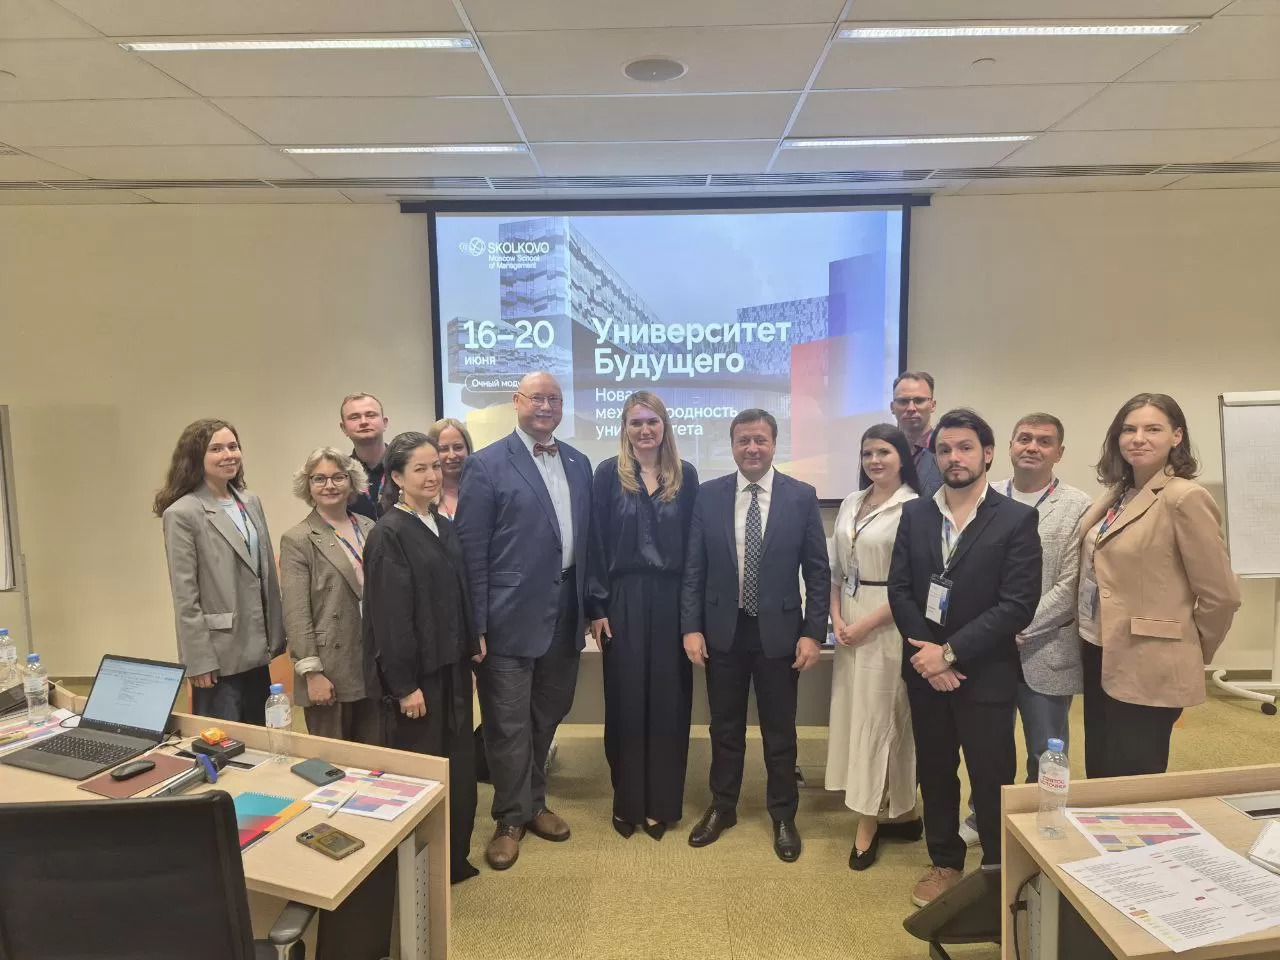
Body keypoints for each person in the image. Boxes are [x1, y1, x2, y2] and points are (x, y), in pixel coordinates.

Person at [887, 408, 1041, 907]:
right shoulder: (915, 515)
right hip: (925, 672)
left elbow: (1017, 604)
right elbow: (900, 590)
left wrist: (950, 653)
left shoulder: (1016, 518)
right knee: (935, 771)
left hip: (985, 673)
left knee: (991, 775)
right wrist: (929, 657)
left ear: (987, 454)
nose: (955, 457)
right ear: (935, 456)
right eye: (945, 449)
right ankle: (945, 862)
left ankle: (997, 871)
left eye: (965, 448)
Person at [455, 372, 593, 872]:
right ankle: (510, 818)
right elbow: (471, 551)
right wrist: (476, 625)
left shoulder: (578, 463)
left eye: (554, 399)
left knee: (547, 714)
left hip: (565, 614)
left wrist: (591, 608)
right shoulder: (486, 464)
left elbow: (587, 542)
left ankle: (534, 802)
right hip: (507, 618)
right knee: (507, 723)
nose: (546, 406)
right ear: (517, 402)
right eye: (537, 398)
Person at [681, 409, 830, 863]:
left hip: (780, 633)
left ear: (773, 444)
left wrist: (813, 633)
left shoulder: (801, 496)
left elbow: (818, 572)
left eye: (760, 440)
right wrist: (691, 626)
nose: (752, 448)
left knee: (779, 731)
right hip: (722, 631)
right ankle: (722, 806)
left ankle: (783, 814)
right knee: (724, 728)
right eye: (743, 440)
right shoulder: (709, 495)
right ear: (732, 446)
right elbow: (694, 568)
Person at [1078, 393, 1240, 779]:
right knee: (1100, 767)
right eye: (1129, 429)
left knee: (1135, 776)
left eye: (1152, 429)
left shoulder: (1184, 498)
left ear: (1176, 436)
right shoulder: (1118, 493)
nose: (1138, 438)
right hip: (1100, 646)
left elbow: (1221, 595)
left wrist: (1190, 648)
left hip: (1151, 657)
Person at [958, 413, 1093, 846]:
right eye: (1025, 438)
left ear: (1059, 453)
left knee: (1045, 749)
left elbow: (1071, 582)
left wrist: (1015, 623)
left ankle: (1041, 822)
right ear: (1010, 446)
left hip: (1046, 647)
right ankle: (983, 815)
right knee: (988, 744)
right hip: (989, 650)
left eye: (1044, 441)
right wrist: (991, 629)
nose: (1033, 447)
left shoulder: (1078, 506)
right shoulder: (985, 495)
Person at [362, 432, 485, 883]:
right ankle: (420, 873)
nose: (433, 475)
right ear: (396, 477)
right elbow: (389, 618)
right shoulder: (388, 534)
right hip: (418, 681)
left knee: (459, 767)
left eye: (435, 466)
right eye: (420, 468)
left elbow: (460, 592)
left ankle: (454, 860)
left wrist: (472, 647)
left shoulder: (442, 524)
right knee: (422, 774)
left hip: (453, 670)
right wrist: (404, 685)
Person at [587, 391, 699, 840]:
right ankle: (628, 802)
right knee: (626, 702)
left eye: (652, 421)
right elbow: (595, 543)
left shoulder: (685, 476)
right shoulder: (607, 475)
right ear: (625, 428)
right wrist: (597, 607)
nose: (645, 430)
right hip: (623, 600)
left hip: (672, 600)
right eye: (636, 422)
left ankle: (661, 804)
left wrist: (692, 618)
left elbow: (695, 553)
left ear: (665, 425)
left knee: (670, 703)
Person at [824, 424, 922, 871]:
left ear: (901, 457)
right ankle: (904, 811)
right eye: (867, 453)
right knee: (856, 715)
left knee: (883, 720)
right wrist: (837, 618)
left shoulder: (914, 508)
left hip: (887, 623)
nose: (875, 460)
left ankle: (868, 822)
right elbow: (836, 569)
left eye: (884, 452)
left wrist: (864, 623)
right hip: (849, 620)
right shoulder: (851, 501)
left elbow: (913, 585)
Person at [155, 419, 285, 723]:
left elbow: (262, 572)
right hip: (219, 653)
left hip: (257, 645)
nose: (229, 455)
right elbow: (185, 595)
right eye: (216, 449)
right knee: (223, 743)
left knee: (260, 736)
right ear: (195, 457)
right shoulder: (182, 513)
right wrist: (198, 660)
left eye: (233, 446)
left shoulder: (250, 502)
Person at [279, 447, 382, 744]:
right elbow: (296, 613)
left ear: (351, 481)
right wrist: (312, 673)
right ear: (308, 485)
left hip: (372, 659)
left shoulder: (370, 527)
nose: (329, 485)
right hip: (329, 667)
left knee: (375, 755)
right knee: (334, 758)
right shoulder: (298, 538)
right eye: (319, 479)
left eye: (338, 477)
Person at [892, 371, 943, 497]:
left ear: (933, 405)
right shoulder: (880, 453)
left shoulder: (947, 450)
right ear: (892, 407)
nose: (911, 408)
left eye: (919, 400)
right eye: (903, 401)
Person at [340, 393, 390, 520]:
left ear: (384, 423)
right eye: (354, 417)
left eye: (371, 415)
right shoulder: (339, 474)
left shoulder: (407, 466)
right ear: (344, 428)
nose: (363, 422)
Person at [428, 417, 474, 522]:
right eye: (443, 449)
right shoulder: (422, 496)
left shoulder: (484, 491)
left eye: (458, 447)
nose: (452, 455)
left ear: (468, 449)